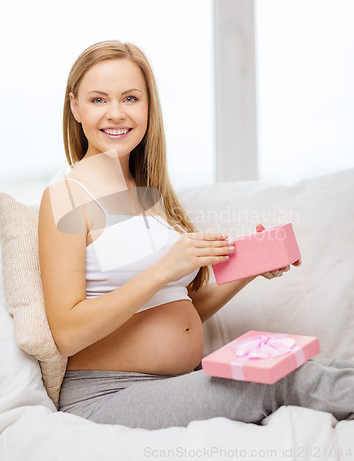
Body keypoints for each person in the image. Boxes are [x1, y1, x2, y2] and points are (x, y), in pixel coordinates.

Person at [38, 40, 354, 430]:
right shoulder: (64, 196)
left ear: (148, 106)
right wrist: (163, 270)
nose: (116, 113)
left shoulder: (149, 192)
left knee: (313, 364)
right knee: (280, 379)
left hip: (172, 383)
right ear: (75, 107)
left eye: (131, 98)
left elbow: (180, 308)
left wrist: (252, 265)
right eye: (99, 99)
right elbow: (67, 334)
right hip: (108, 394)